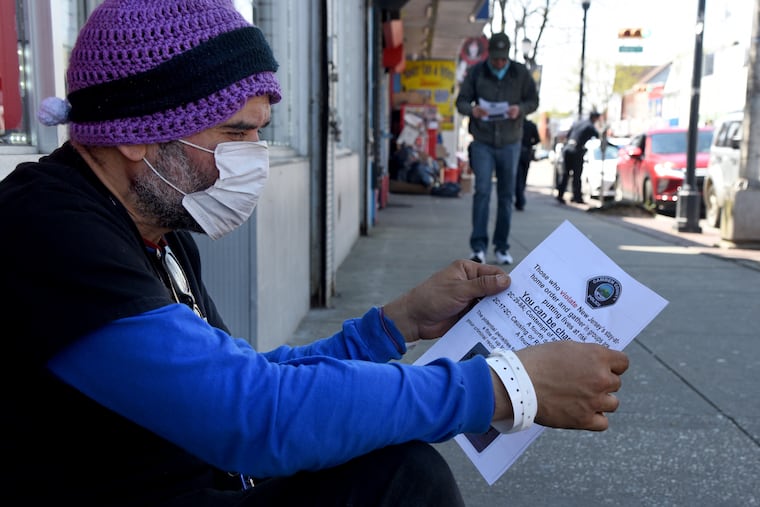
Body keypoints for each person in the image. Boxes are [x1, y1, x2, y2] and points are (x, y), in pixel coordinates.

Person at [0, 2, 630, 505]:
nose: (252, 157)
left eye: (259, 134)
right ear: (137, 134)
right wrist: (501, 388)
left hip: (203, 482)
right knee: (400, 481)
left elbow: (249, 381)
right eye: (235, 134)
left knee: (388, 463)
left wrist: (396, 324)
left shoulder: (151, 226)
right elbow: (252, 416)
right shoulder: (49, 231)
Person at [456, 32, 539, 265]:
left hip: (510, 142)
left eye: (503, 59)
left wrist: (519, 109)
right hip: (482, 140)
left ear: (508, 55)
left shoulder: (520, 73)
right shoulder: (477, 72)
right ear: (489, 55)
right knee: (482, 191)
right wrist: (472, 109)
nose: (499, 63)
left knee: (506, 196)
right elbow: (461, 101)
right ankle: (478, 247)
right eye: (495, 59)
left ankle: (501, 247)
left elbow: (534, 101)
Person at [557, 111, 601, 204]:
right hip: (576, 150)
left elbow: (568, 135)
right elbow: (598, 136)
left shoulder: (578, 123)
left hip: (567, 149)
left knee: (565, 174)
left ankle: (560, 195)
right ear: (595, 118)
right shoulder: (590, 126)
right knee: (577, 175)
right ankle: (577, 197)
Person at [515, 117, 541, 211]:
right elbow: (537, 139)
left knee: (518, 178)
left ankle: (520, 200)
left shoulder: (516, 124)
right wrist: (530, 143)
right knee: (523, 177)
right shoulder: (531, 125)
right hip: (526, 153)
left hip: (517, 152)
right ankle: (520, 199)